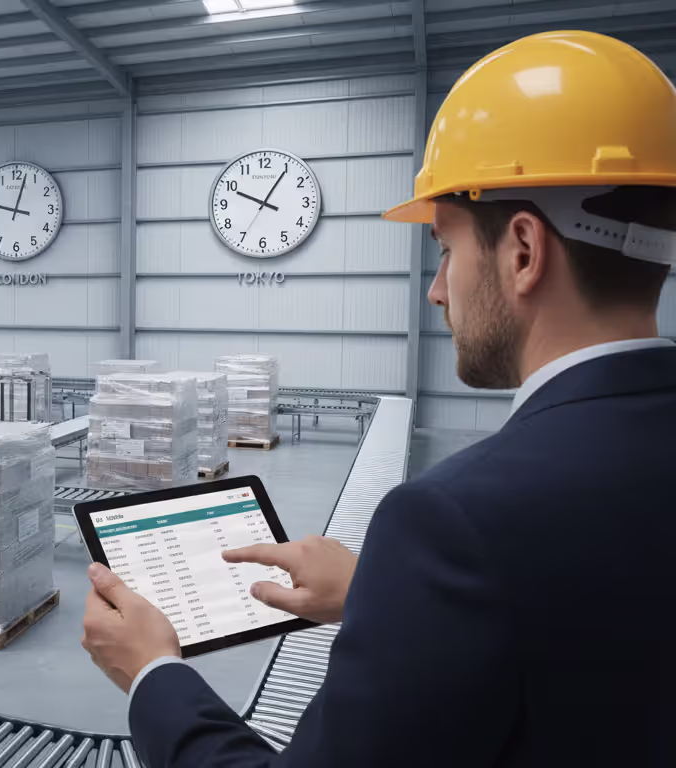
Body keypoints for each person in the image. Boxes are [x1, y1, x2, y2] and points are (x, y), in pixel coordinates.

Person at [81, 30, 676, 768]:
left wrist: (153, 674)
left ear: (523, 252)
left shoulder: (456, 521)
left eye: (446, 250)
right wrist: (388, 597)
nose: (436, 291)